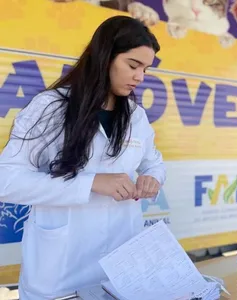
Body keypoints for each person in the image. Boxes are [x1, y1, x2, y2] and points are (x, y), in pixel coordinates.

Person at [0, 16, 166, 299]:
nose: (140, 77)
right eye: (133, 65)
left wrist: (153, 177)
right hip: (61, 272)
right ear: (104, 57)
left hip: (121, 264)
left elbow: (153, 161)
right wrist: (89, 183)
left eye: (146, 69)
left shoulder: (136, 116)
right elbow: (7, 181)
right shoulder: (50, 108)